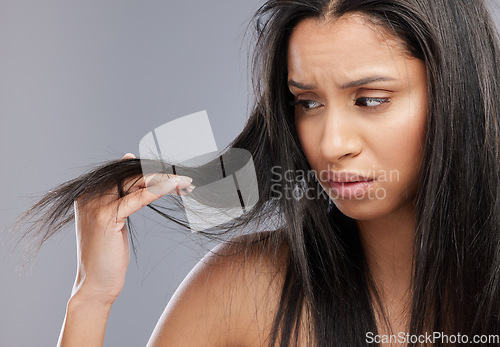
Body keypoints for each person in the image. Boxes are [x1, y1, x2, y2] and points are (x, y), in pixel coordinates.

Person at [10, 0, 500, 345]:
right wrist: (90, 297)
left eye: (370, 100)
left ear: (456, 94)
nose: (331, 144)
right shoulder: (248, 290)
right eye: (307, 102)